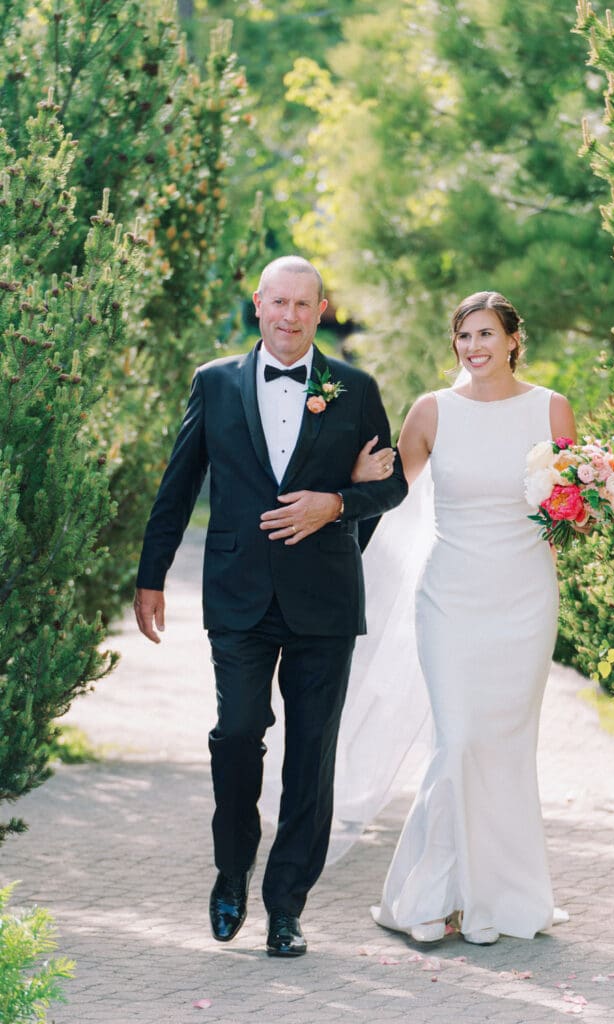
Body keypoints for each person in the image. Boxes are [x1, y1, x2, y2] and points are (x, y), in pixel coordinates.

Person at [133, 255, 407, 958]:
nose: (289, 316)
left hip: (325, 599)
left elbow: (393, 485)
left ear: (321, 309)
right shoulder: (215, 382)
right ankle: (232, 869)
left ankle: (286, 907)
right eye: (278, 302)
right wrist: (151, 574)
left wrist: (335, 507)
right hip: (237, 594)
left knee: (311, 757)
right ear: (258, 303)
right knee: (235, 734)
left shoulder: (355, 387)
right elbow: (179, 482)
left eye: (303, 304)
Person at [353, 290, 575, 945]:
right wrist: (349, 480)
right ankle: (432, 896)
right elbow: (390, 494)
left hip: (525, 596)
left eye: (485, 334)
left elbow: (570, 507)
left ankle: (501, 896)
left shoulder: (551, 407)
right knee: (458, 739)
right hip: (449, 597)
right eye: (463, 337)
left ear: (512, 339)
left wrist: (598, 496)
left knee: (505, 745)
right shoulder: (432, 411)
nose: (473, 347)